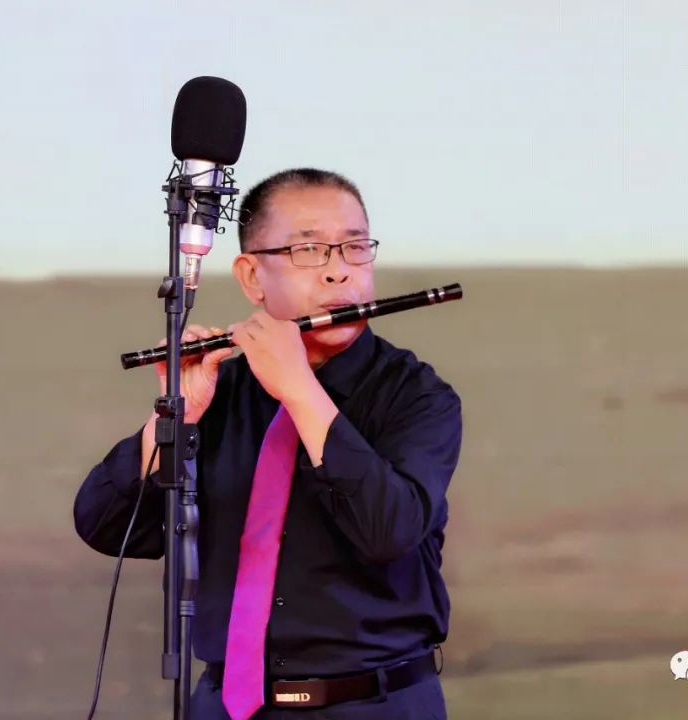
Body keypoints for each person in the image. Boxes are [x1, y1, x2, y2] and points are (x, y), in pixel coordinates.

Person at [73, 168, 462, 719]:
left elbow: (387, 531)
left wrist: (299, 389)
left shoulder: (418, 396)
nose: (338, 271)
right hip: (224, 704)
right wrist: (176, 415)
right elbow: (105, 525)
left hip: (374, 703)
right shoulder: (222, 391)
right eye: (309, 250)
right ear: (252, 277)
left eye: (355, 248)